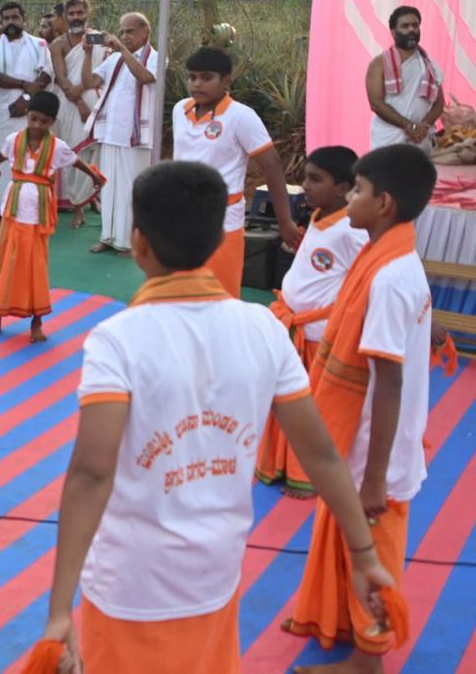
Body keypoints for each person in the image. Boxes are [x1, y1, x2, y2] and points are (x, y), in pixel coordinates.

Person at [37, 160, 396, 674]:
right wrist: (364, 555)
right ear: (217, 242)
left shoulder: (117, 340)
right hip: (216, 575)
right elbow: (320, 454)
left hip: (130, 586)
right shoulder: (263, 328)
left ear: (139, 242)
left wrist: (58, 609)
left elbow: (92, 474)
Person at [283, 144, 437, 671]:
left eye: (359, 190)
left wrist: (374, 479)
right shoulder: (386, 259)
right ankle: (340, 622)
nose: (350, 198)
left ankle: (370, 659)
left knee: (372, 545)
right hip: (367, 440)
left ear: (384, 203)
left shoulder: (389, 277)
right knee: (349, 536)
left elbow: (388, 382)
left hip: (377, 450)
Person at [256, 146, 366, 498]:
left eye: (315, 179)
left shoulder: (353, 230)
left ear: (343, 188)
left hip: (319, 335)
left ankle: (308, 476)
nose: (305, 185)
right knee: (286, 401)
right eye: (305, 177)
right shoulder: (320, 214)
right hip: (292, 324)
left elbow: (374, 277)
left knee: (314, 409)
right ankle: (279, 464)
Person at [173, 48, 302, 296]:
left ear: (226, 81)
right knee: (180, 291)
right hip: (182, 216)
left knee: (219, 294)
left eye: (206, 77)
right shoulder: (180, 109)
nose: (197, 83)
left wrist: (285, 221)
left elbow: (272, 165)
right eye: (192, 77)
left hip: (222, 220)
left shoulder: (241, 116)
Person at [0, 92, 102, 343]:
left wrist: (94, 176)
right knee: (5, 264)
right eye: (33, 118)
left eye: (43, 121)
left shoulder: (58, 147)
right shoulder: (14, 140)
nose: (36, 125)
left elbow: (76, 162)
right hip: (12, 213)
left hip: (38, 216)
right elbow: (1, 156)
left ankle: (37, 323)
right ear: (27, 115)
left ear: (52, 122)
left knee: (36, 267)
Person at [85, 13, 159, 255]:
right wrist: (87, 54)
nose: (124, 36)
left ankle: (129, 242)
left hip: (136, 136)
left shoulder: (156, 58)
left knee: (131, 190)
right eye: (122, 31)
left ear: (145, 33)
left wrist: (121, 50)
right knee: (109, 188)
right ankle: (108, 236)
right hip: (111, 133)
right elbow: (89, 82)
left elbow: (146, 77)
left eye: (130, 31)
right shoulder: (115, 59)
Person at [0, 2, 51, 221]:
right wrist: (23, 84)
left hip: (30, 113)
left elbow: (46, 75)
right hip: (1, 111)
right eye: (6, 19)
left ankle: (27, 208)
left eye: (15, 17)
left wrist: (27, 99)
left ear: (23, 19)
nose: (10, 22)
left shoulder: (39, 44)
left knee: (29, 156)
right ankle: (0, 208)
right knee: (2, 155)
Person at [50, 0, 107, 229]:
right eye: (71, 13)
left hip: (96, 99)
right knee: (74, 155)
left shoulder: (100, 38)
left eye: (80, 13)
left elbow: (103, 72)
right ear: (65, 16)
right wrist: (79, 102)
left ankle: (95, 198)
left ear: (87, 13)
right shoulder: (58, 44)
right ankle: (78, 208)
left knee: (97, 154)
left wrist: (83, 91)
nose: (76, 17)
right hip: (69, 104)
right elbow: (61, 77)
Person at [366, 5, 446, 152]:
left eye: (415, 25)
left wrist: (421, 128)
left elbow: (439, 103)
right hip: (388, 139)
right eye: (405, 26)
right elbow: (376, 104)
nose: (411, 30)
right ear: (393, 32)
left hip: (420, 139)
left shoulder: (430, 65)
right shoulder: (379, 64)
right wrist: (409, 126)